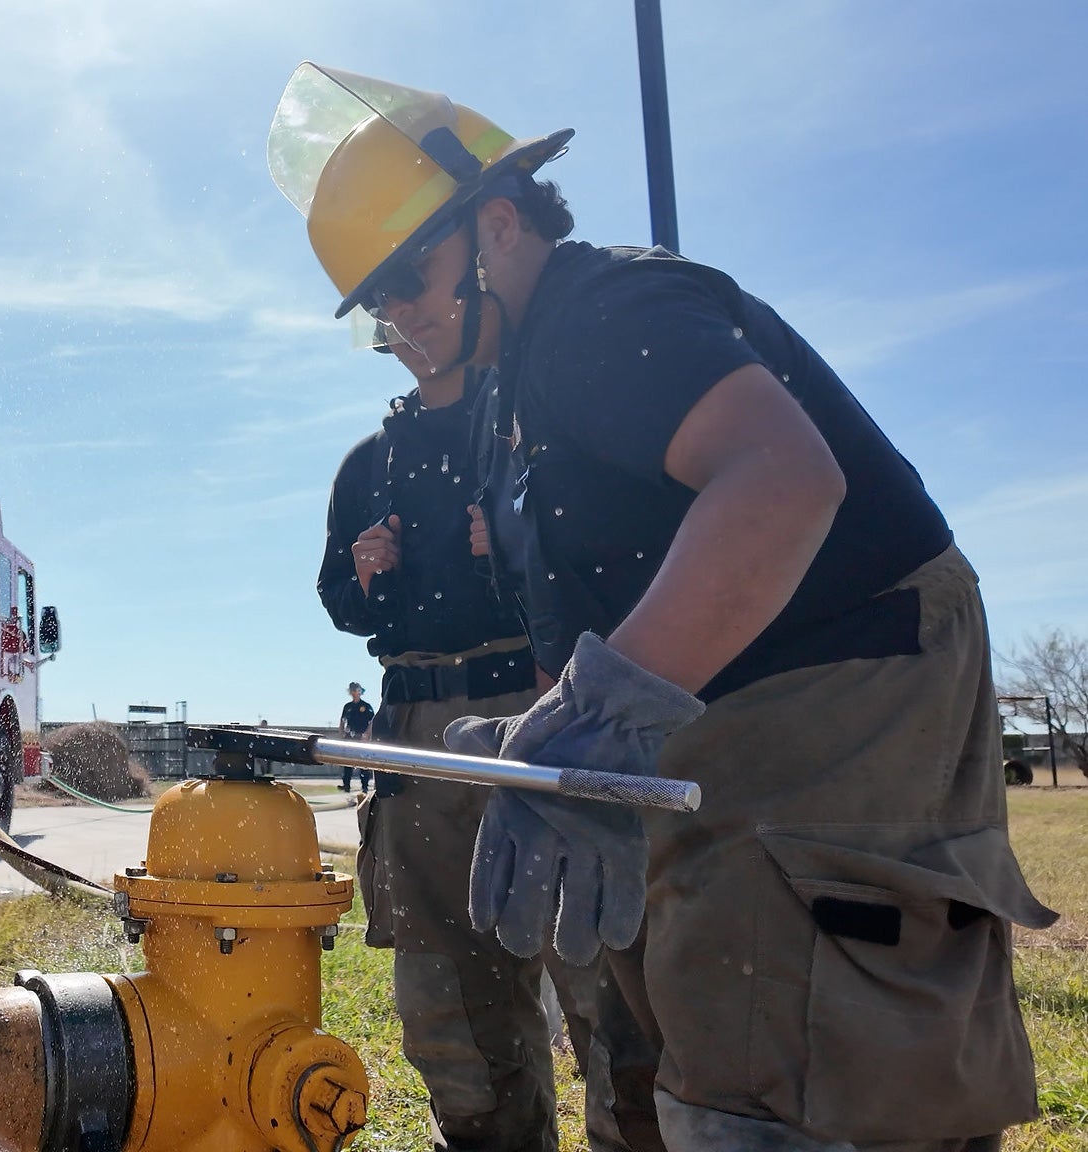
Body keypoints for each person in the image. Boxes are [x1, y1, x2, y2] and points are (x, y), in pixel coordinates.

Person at [270, 66, 1058, 1152]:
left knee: (801, 1060)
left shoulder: (604, 311)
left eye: (408, 276)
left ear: (496, 226)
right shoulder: (516, 393)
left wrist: (604, 711)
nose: (398, 317)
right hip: (729, 693)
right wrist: (546, 736)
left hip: (833, 674)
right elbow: (578, 606)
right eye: (377, 306)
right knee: (702, 1015)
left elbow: (782, 482)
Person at [314, 321, 598, 1152]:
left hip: (537, 702)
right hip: (417, 730)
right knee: (450, 994)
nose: (410, 325)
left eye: (424, 297)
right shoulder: (366, 463)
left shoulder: (533, 427)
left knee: (597, 974)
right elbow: (338, 599)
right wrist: (363, 575)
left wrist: (520, 549)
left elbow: (611, 559)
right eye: (391, 311)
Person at [338, 681, 374, 791]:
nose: (354, 693)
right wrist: (342, 731)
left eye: (356, 690)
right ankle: (346, 785)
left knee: (363, 763)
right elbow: (342, 720)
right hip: (350, 737)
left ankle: (364, 786)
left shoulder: (366, 706)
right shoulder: (347, 706)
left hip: (361, 737)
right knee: (347, 762)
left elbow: (372, 721)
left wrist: (367, 735)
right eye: (352, 690)